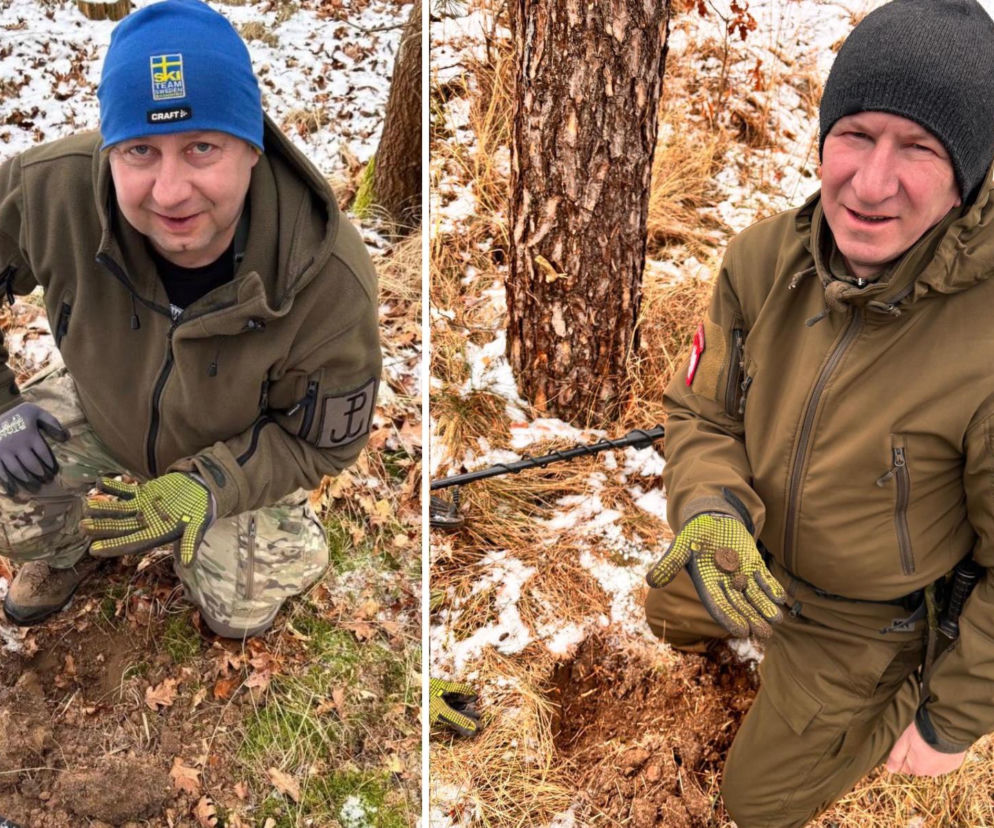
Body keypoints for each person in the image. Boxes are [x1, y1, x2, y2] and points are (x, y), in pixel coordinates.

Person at [643, 0, 994, 824]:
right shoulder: (762, 258)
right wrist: (711, 509)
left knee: (756, 805)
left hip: (867, 617)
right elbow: (702, 413)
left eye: (920, 148)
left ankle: (897, 678)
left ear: (969, 174)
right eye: (856, 134)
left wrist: (952, 721)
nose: (872, 185)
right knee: (665, 614)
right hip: (755, 559)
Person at [0, 0, 381, 639]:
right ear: (110, 149)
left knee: (238, 605)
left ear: (251, 145)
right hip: (103, 407)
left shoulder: (324, 273)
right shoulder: (49, 191)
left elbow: (328, 439)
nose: (170, 191)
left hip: (232, 444)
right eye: (140, 151)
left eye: (202, 147)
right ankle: (67, 552)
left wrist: (207, 486)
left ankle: (214, 530)